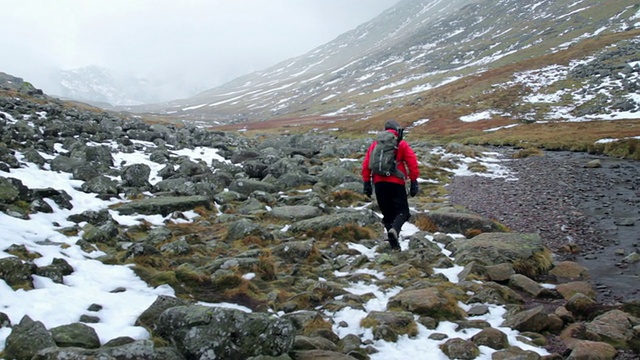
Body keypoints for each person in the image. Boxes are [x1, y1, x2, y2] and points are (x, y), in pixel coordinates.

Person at [361, 119, 419, 251]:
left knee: (387, 215)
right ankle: (395, 230)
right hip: (396, 182)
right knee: (403, 212)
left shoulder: (375, 144)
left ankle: (395, 246)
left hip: (379, 183)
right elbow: (412, 161)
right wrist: (414, 180)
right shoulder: (400, 143)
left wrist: (366, 182)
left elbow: (366, 164)